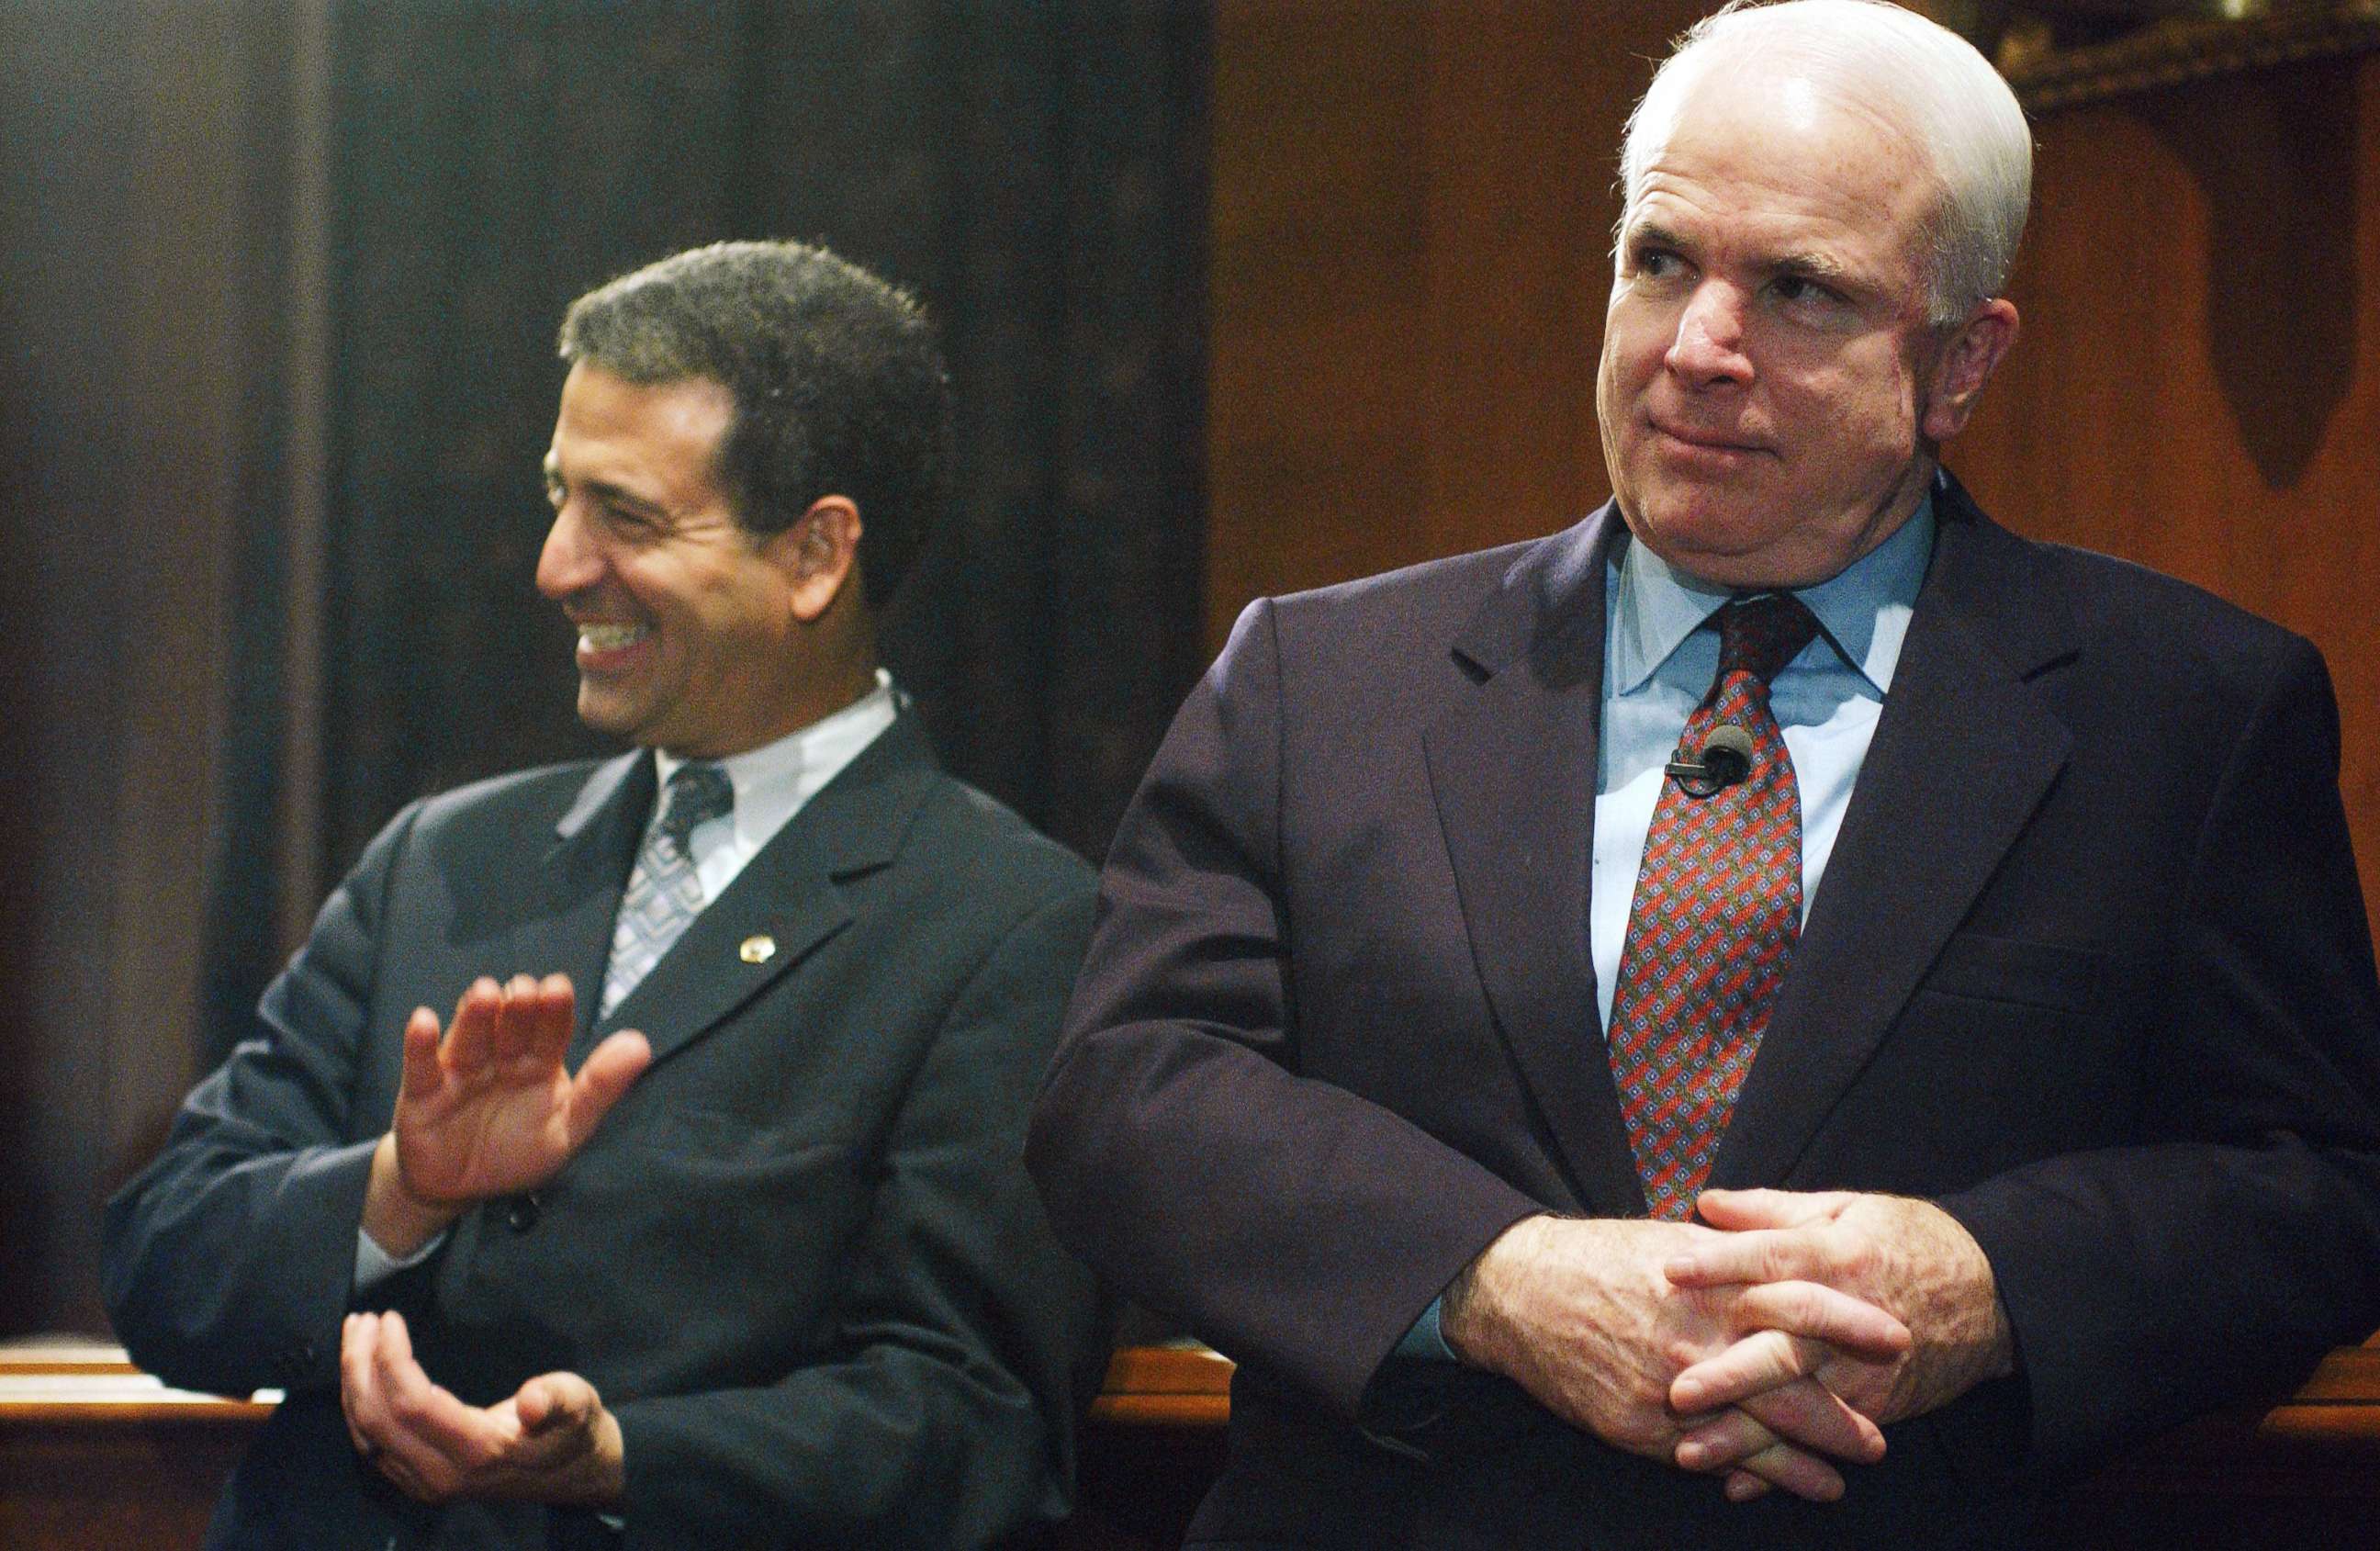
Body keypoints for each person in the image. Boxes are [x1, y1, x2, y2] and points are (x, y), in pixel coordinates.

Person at [1025, 3, 2380, 1546]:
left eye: (1797, 290)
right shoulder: (1319, 681)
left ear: (1958, 364)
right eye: (1661, 260)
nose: (1696, 347)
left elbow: (2323, 1190)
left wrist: (1989, 1280)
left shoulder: (2186, 713)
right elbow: (1128, 1094)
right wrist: (1489, 1277)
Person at [106, 240, 1103, 1549]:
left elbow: (974, 1426)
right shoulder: (440, 860)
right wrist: (397, 1191)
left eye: (625, 515)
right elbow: (161, 1257)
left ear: (815, 554)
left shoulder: (1008, 925)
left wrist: (618, 1459)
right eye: (558, 496)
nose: (556, 565)